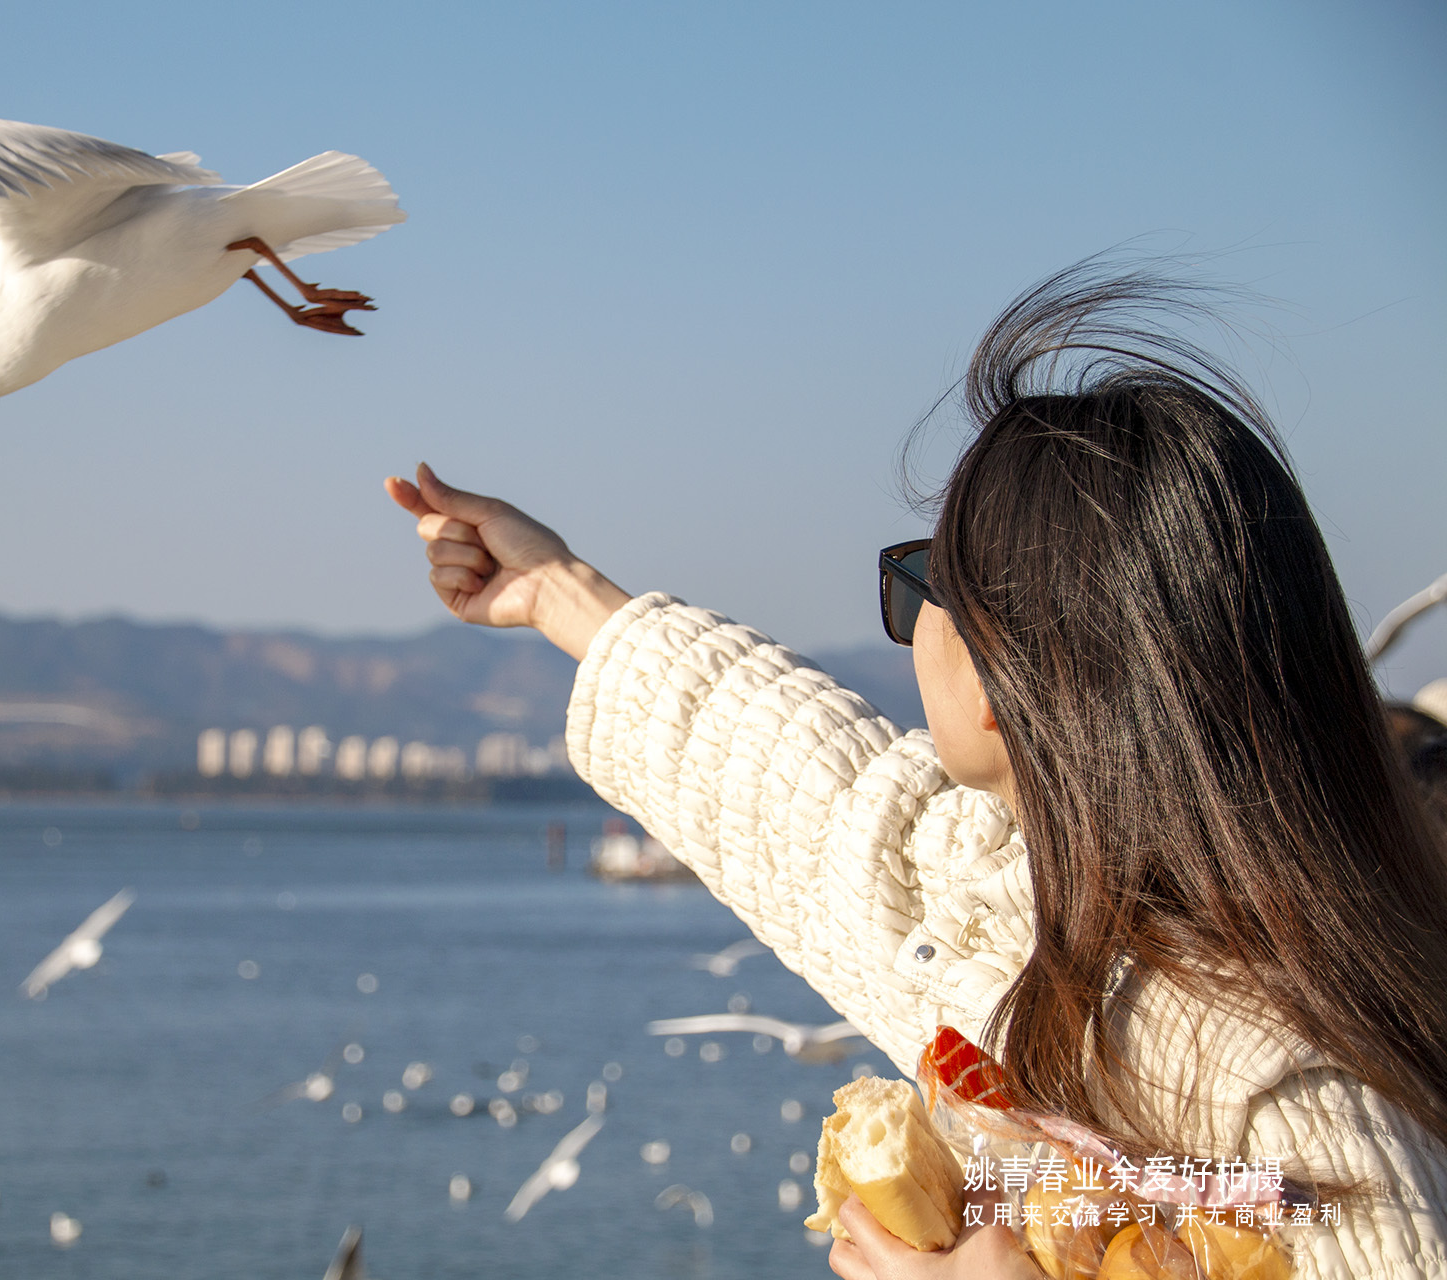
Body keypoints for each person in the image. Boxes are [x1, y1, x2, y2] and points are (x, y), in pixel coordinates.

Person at [386, 265, 1447, 1279]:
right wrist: (559, 591)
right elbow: (818, 795)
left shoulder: (1295, 1090)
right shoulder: (1026, 920)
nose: (910, 622)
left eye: (926, 577)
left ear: (1006, 676)